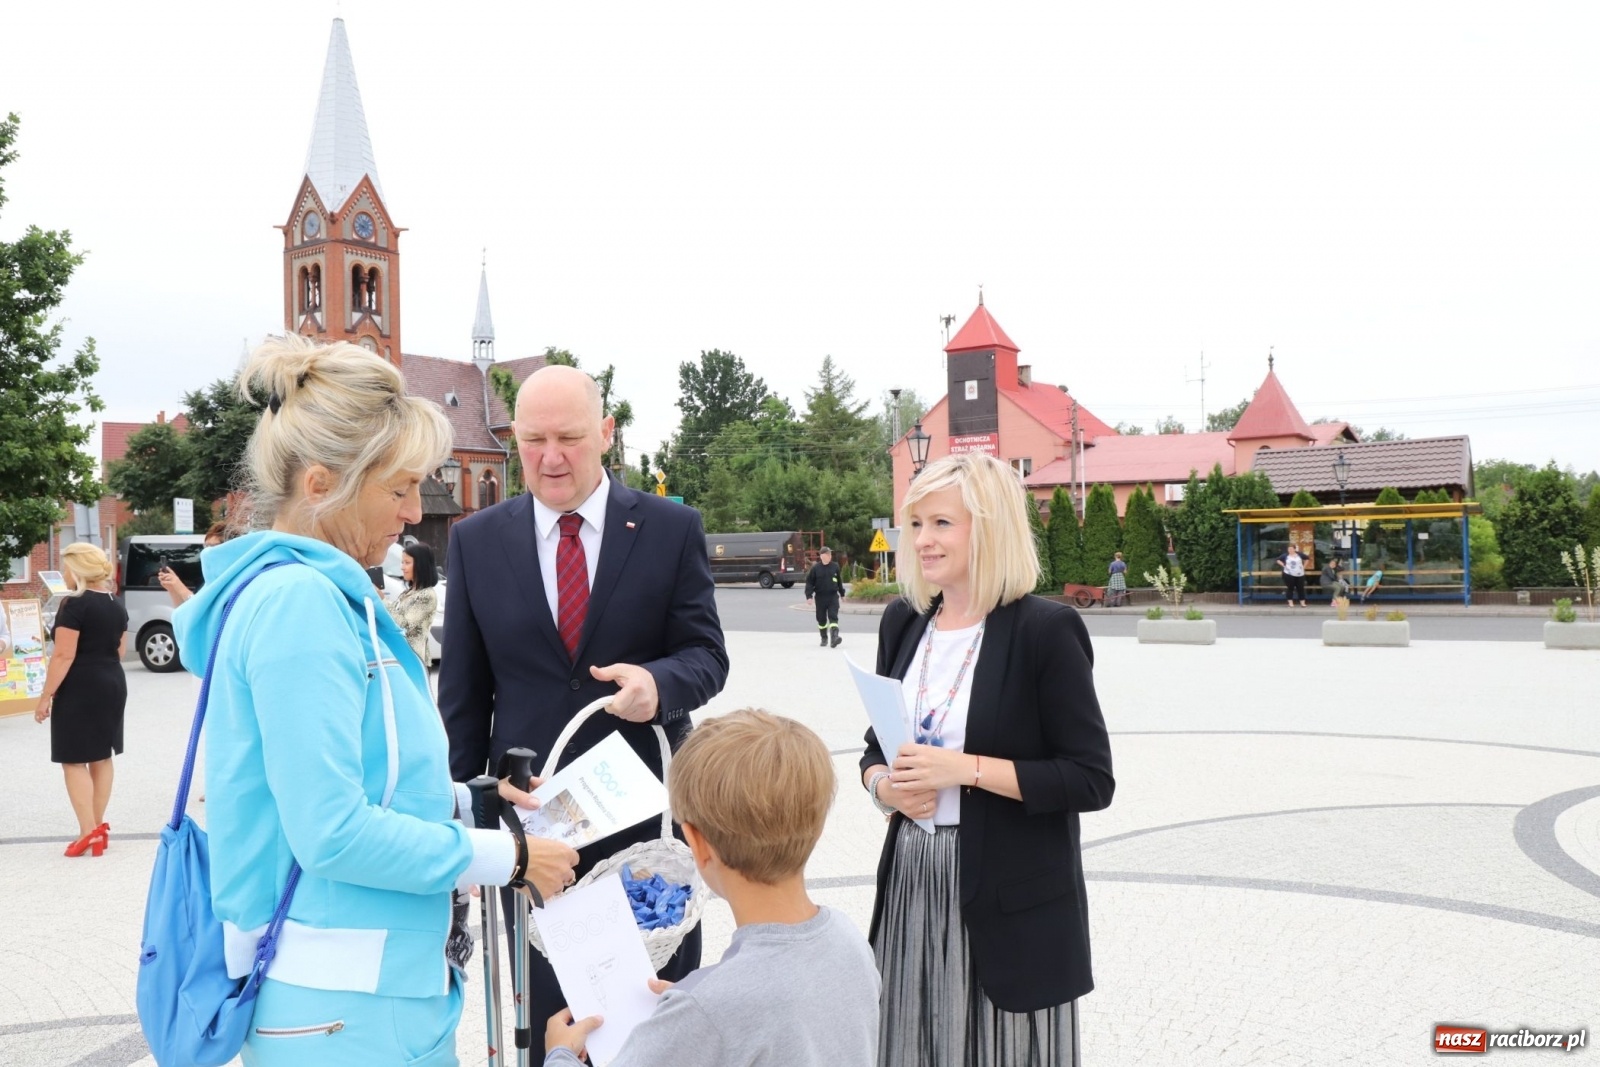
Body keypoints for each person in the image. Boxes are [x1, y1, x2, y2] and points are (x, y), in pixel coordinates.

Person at [172, 335, 579, 1066]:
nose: (415, 512)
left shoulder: (318, 594)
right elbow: (329, 829)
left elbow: (362, 779)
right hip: (343, 1005)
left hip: (362, 993)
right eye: (398, 489)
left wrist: (468, 799)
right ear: (322, 484)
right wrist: (506, 856)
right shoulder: (301, 603)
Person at [439, 363, 730, 1025]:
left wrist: (658, 685)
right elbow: (462, 696)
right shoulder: (476, 542)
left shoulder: (669, 528)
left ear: (606, 431)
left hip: (646, 824)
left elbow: (708, 656)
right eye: (532, 439)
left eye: (568, 436)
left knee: (658, 1025)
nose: (550, 456)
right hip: (537, 831)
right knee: (554, 1022)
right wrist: (464, 821)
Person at [858, 453, 1114, 1067]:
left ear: (990, 526)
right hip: (914, 879)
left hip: (1010, 894)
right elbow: (876, 746)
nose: (921, 540)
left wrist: (965, 770)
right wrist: (882, 788)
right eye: (915, 524)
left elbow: (1090, 777)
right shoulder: (903, 621)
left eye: (941, 523)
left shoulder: (1045, 631)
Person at [544, 709, 879, 1067]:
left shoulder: (709, 1010)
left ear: (697, 845)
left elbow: (727, 1015)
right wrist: (697, 1012)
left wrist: (560, 1053)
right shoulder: (850, 941)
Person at [34, 542, 129, 859]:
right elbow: (120, 651)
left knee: (73, 759)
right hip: (113, 682)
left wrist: (45, 696)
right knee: (102, 756)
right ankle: (95, 828)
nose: (64, 573)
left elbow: (62, 656)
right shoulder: (116, 604)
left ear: (78, 568)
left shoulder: (73, 605)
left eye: (66, 567)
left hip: (81, 686)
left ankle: (88, 832)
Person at [386, 541, 440, 665]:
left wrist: (383, 600)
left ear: (421, 565)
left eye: (407, 563)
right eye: (402, 562)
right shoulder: (408, 593)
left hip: (415, 660)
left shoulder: (426, 595)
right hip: (402, 657)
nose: (402, 567)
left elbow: (405, 626)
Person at [157, 522, 228, 606]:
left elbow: (200, 609)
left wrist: (179, 586)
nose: (206, 551)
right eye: (206, 546)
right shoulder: (206, 581)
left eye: (213, 546)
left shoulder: (230, 582)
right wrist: (172, 588)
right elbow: (184, 612)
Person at [805, 545, 846, 647]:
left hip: (832, 596)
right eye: (828, 554)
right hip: (820, 597)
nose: (830, 555)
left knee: (833, 617)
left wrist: (842, 594)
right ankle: (824, 637)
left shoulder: (835, 566)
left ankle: (834, 638)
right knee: (821, 619)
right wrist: (809, 596)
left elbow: (839, 582)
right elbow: (809, 583)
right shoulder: (815, 568)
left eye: (830, 554)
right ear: (822, 556)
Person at [1275, 543, 1309, 607]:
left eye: (1291, 549)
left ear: (1294, 549)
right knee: (1290, 588)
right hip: (1289, 574)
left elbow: (1307, 558)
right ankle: (1290, 603)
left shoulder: (1299, 555)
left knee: (1300, 588)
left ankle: (1302, 603)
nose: (1290, 550)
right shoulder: (1285, 555)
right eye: (1289, 549)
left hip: (1300, 574)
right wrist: (1283, 565)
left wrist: (1304, 567)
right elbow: (1277, 560)